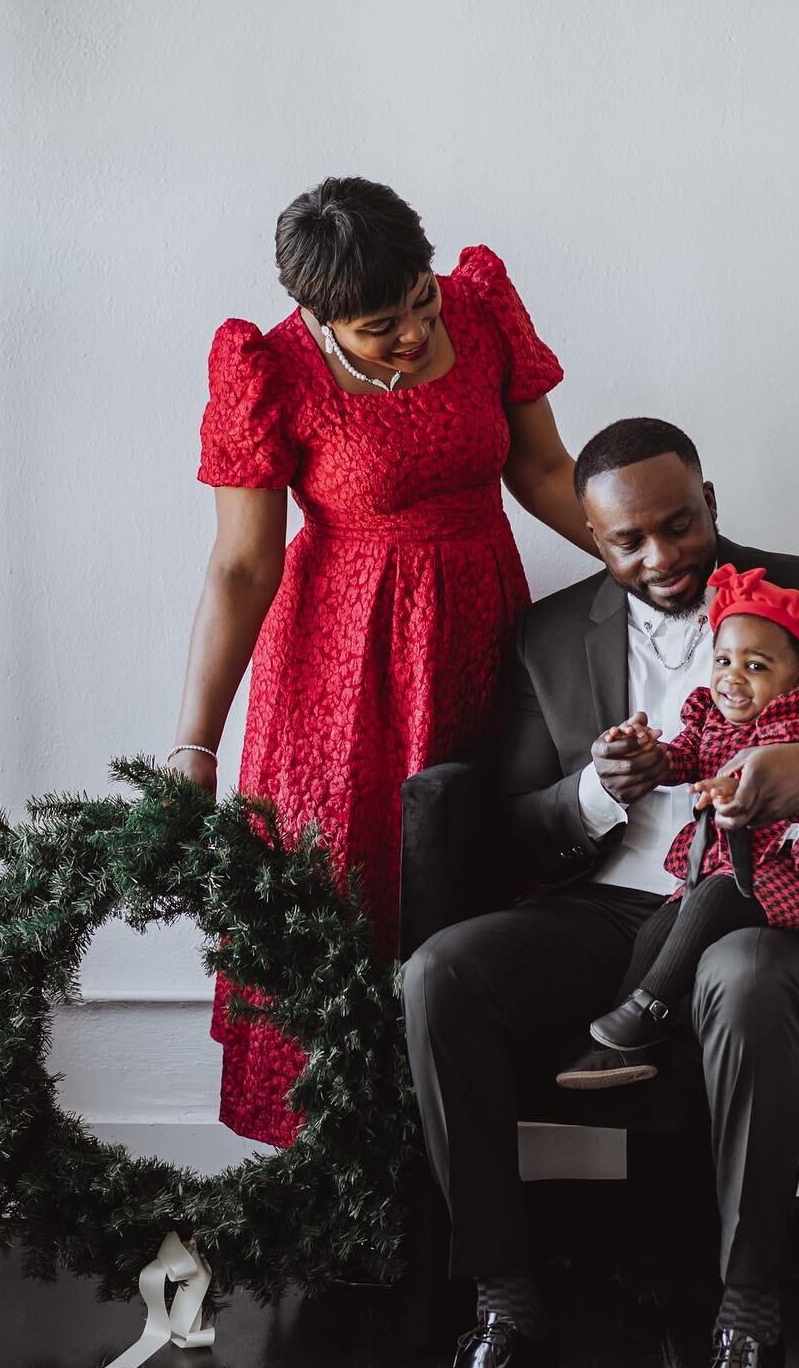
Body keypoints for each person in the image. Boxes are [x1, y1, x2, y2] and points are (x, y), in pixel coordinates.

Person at [403, 417, 799, 1368]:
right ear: (589, 534)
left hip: (757, 906)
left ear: (710, 499)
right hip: (603, 910)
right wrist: (591, 792)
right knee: (440, 974)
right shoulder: (549, 633)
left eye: (682, 525)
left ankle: (746, 1331)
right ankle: (505, 1309)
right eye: (630, 541)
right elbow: (516, 824)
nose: (662, 558)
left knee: (747, 979)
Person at [168, 177, 596, 1148]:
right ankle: (349, 1170)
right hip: (339, 671)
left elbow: (539, 471)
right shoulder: (267, 369)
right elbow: (242, 565)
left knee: (481, 883)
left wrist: (665, 565)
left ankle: (467, 1162)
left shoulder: (481, 302)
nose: (410, 337)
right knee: (341, 894)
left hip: (485, 641)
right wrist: (193, 741)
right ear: (316, 319)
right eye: (376, 329)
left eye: (418, 306)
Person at [555, 563, 799, 1089]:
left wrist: (734, 785)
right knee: (658, 929)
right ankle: (617, 1046)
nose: (731, 677)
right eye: (723, 660)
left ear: (797, 682)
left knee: (708, 898)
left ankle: (650, 1011)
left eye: (754, 667)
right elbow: (683, 757)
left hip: (772, 875)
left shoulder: (794, 720)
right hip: (714, 867)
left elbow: (766, 763)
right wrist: (646, 753)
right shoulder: (710, 715)